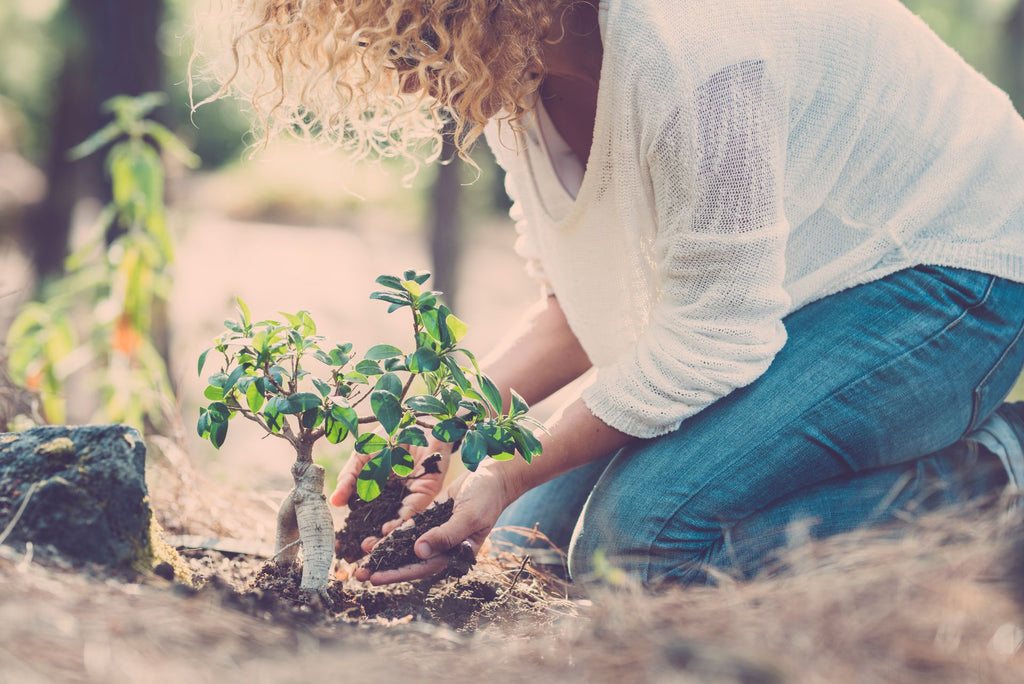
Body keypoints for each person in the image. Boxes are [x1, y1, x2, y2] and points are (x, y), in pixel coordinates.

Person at [217, 0, 1024, 587]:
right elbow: (574, 311)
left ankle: (990, 473)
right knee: (531, 548)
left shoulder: (697, 49)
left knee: (638, 548)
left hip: (952, 266)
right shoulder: (506, 75)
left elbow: (713, 337)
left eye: (408, 27)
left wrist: (503, 471)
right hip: (797, 287)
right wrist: (435, 427)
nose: (394, 68)